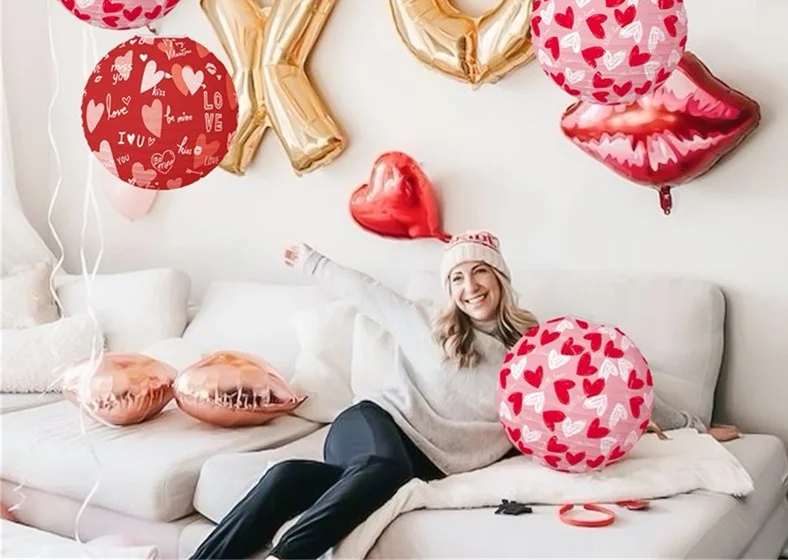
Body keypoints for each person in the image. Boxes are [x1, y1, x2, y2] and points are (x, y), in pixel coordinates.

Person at [190, 232, 737, 560]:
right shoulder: (427, 325)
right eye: (457, 278)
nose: (469, 286)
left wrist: (693, 425)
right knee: (381, 469)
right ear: (447, 289)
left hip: (431, 462)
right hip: (375, 423)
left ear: (500, 280)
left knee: (290, 478)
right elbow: (369, 294)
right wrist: (312, 261)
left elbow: (612, 387)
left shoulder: (539, 348)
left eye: (480, 273)